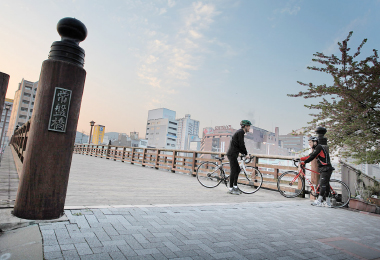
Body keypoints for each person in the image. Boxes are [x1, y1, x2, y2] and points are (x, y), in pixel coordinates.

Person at [300, 136, 334, 207]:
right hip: (323, 168)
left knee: (322, 185)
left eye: (310, 142)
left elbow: (312, 157)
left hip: (326, 168)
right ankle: (327, 202)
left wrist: (304, 162)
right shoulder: (316, 148)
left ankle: (319, 201)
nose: (309, 144)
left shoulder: (319, 147)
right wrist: (300, 159)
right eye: (308, 142)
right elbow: (310, 156)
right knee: (326, 185)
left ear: (315, 142)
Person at [226, 120, 251, 195]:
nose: (249, 128)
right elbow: (241, 144)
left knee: (237, 169)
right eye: (249, 126)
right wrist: (246, 153)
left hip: (234, 153)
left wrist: (243, 153)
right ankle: (230, 188)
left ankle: (235, 187)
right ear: (245, 126)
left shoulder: (240, 132)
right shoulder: (240, 132)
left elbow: (239, 145)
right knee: (234, 170)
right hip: (232, 154)